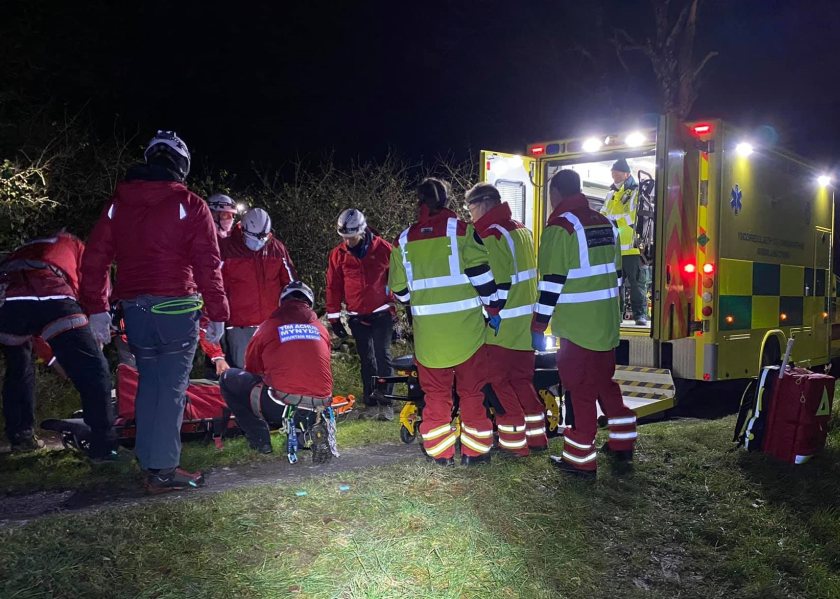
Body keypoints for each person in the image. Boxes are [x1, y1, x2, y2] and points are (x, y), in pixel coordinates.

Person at [80, 130, 229, 493]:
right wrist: (219, 311)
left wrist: (97, 309)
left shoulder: (119, 203)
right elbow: (208, 263)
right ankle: (163, 469)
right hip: (177, 308)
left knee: (150, 386)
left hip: (136, 311)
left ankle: (150, 462)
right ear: (180, 165)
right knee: (172, 390)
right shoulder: (190, 204)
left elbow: (95, 258)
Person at [389, 177, 503, 466]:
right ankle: (475, 453)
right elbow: (482, 277)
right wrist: (494, 309)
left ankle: (440, 454)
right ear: (447, 201)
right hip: (468, 334)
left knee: (436, 394)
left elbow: (400, 292)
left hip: (429, 338)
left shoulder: (403, 241)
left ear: (419, 203)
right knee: (472, 393)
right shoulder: (462, 231)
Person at [532, 169, 637, 479]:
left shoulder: (560, 228)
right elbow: (618, 277)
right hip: (605, 324)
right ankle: (623, 443)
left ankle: (580, 460)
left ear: (555, 194)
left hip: (577, 328)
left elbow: (551, 284)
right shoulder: (606, 223)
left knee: (579, 389)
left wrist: (538, 326)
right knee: (605, 383)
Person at [0, 231, 117, 459]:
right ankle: (104, 447)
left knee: (19, 366)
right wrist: (97, 336)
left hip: (6, 300)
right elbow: (94, 288)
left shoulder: (28, 248)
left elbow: (35, 326)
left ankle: (22, 437)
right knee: (94, 370)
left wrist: (55, 360)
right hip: (48, 290)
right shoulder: (80, 247)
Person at [465, 183, 548, 456]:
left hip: (502, 329)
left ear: (483, 204)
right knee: (522, 382)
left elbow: (498, 284)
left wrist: (491, 314)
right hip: (526, 326)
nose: (470, 215)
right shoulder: (520, 228)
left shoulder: (489, 234)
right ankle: (537, 439)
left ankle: (514, 446)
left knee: (497, 384)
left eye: (470, 208)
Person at [219, 281, 332, 456]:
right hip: (321, 405)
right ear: (310, 303)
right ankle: (304, 429)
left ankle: (260, 441)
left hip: (280, 406)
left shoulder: (268, 326)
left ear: (282, 302)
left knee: (229, 378)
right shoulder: (321, 329)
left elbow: (252, 368)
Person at [201, 207, 296, 372]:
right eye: (252, 238)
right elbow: (213, 288)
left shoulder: (276, 248)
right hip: (239, 326)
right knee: (246, 375)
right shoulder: (226, 249)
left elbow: (291, 285)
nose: (257, 243)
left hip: (273, 324)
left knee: (276, 373)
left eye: (263, 238)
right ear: (242, 229)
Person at [326, 208, 395, 420]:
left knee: (383, 356)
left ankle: (387, 401)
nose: (347, 241)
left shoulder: (383, 249)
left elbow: (398, 276)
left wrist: (401, 301)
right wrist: (334, 317)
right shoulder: (338, 255)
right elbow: (333, 286)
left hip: (382, 312)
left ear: (362, 231)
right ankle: (371, 400)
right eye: (344, 237)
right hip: (357, 315)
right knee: (366, 359)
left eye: (351, 237)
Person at [600, 158, 647, 326]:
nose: (614, 174)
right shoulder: (611, 194)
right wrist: (609, 220)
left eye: (617, 171)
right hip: (615, 249)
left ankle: (640, 315)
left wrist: (613, 220)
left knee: (637, 285)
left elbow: (633, 215)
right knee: (615, 285)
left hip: (632, 248)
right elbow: (603, 214)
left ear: (626, 174)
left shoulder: (635, 192)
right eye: (612, 171)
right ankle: (616, 316)